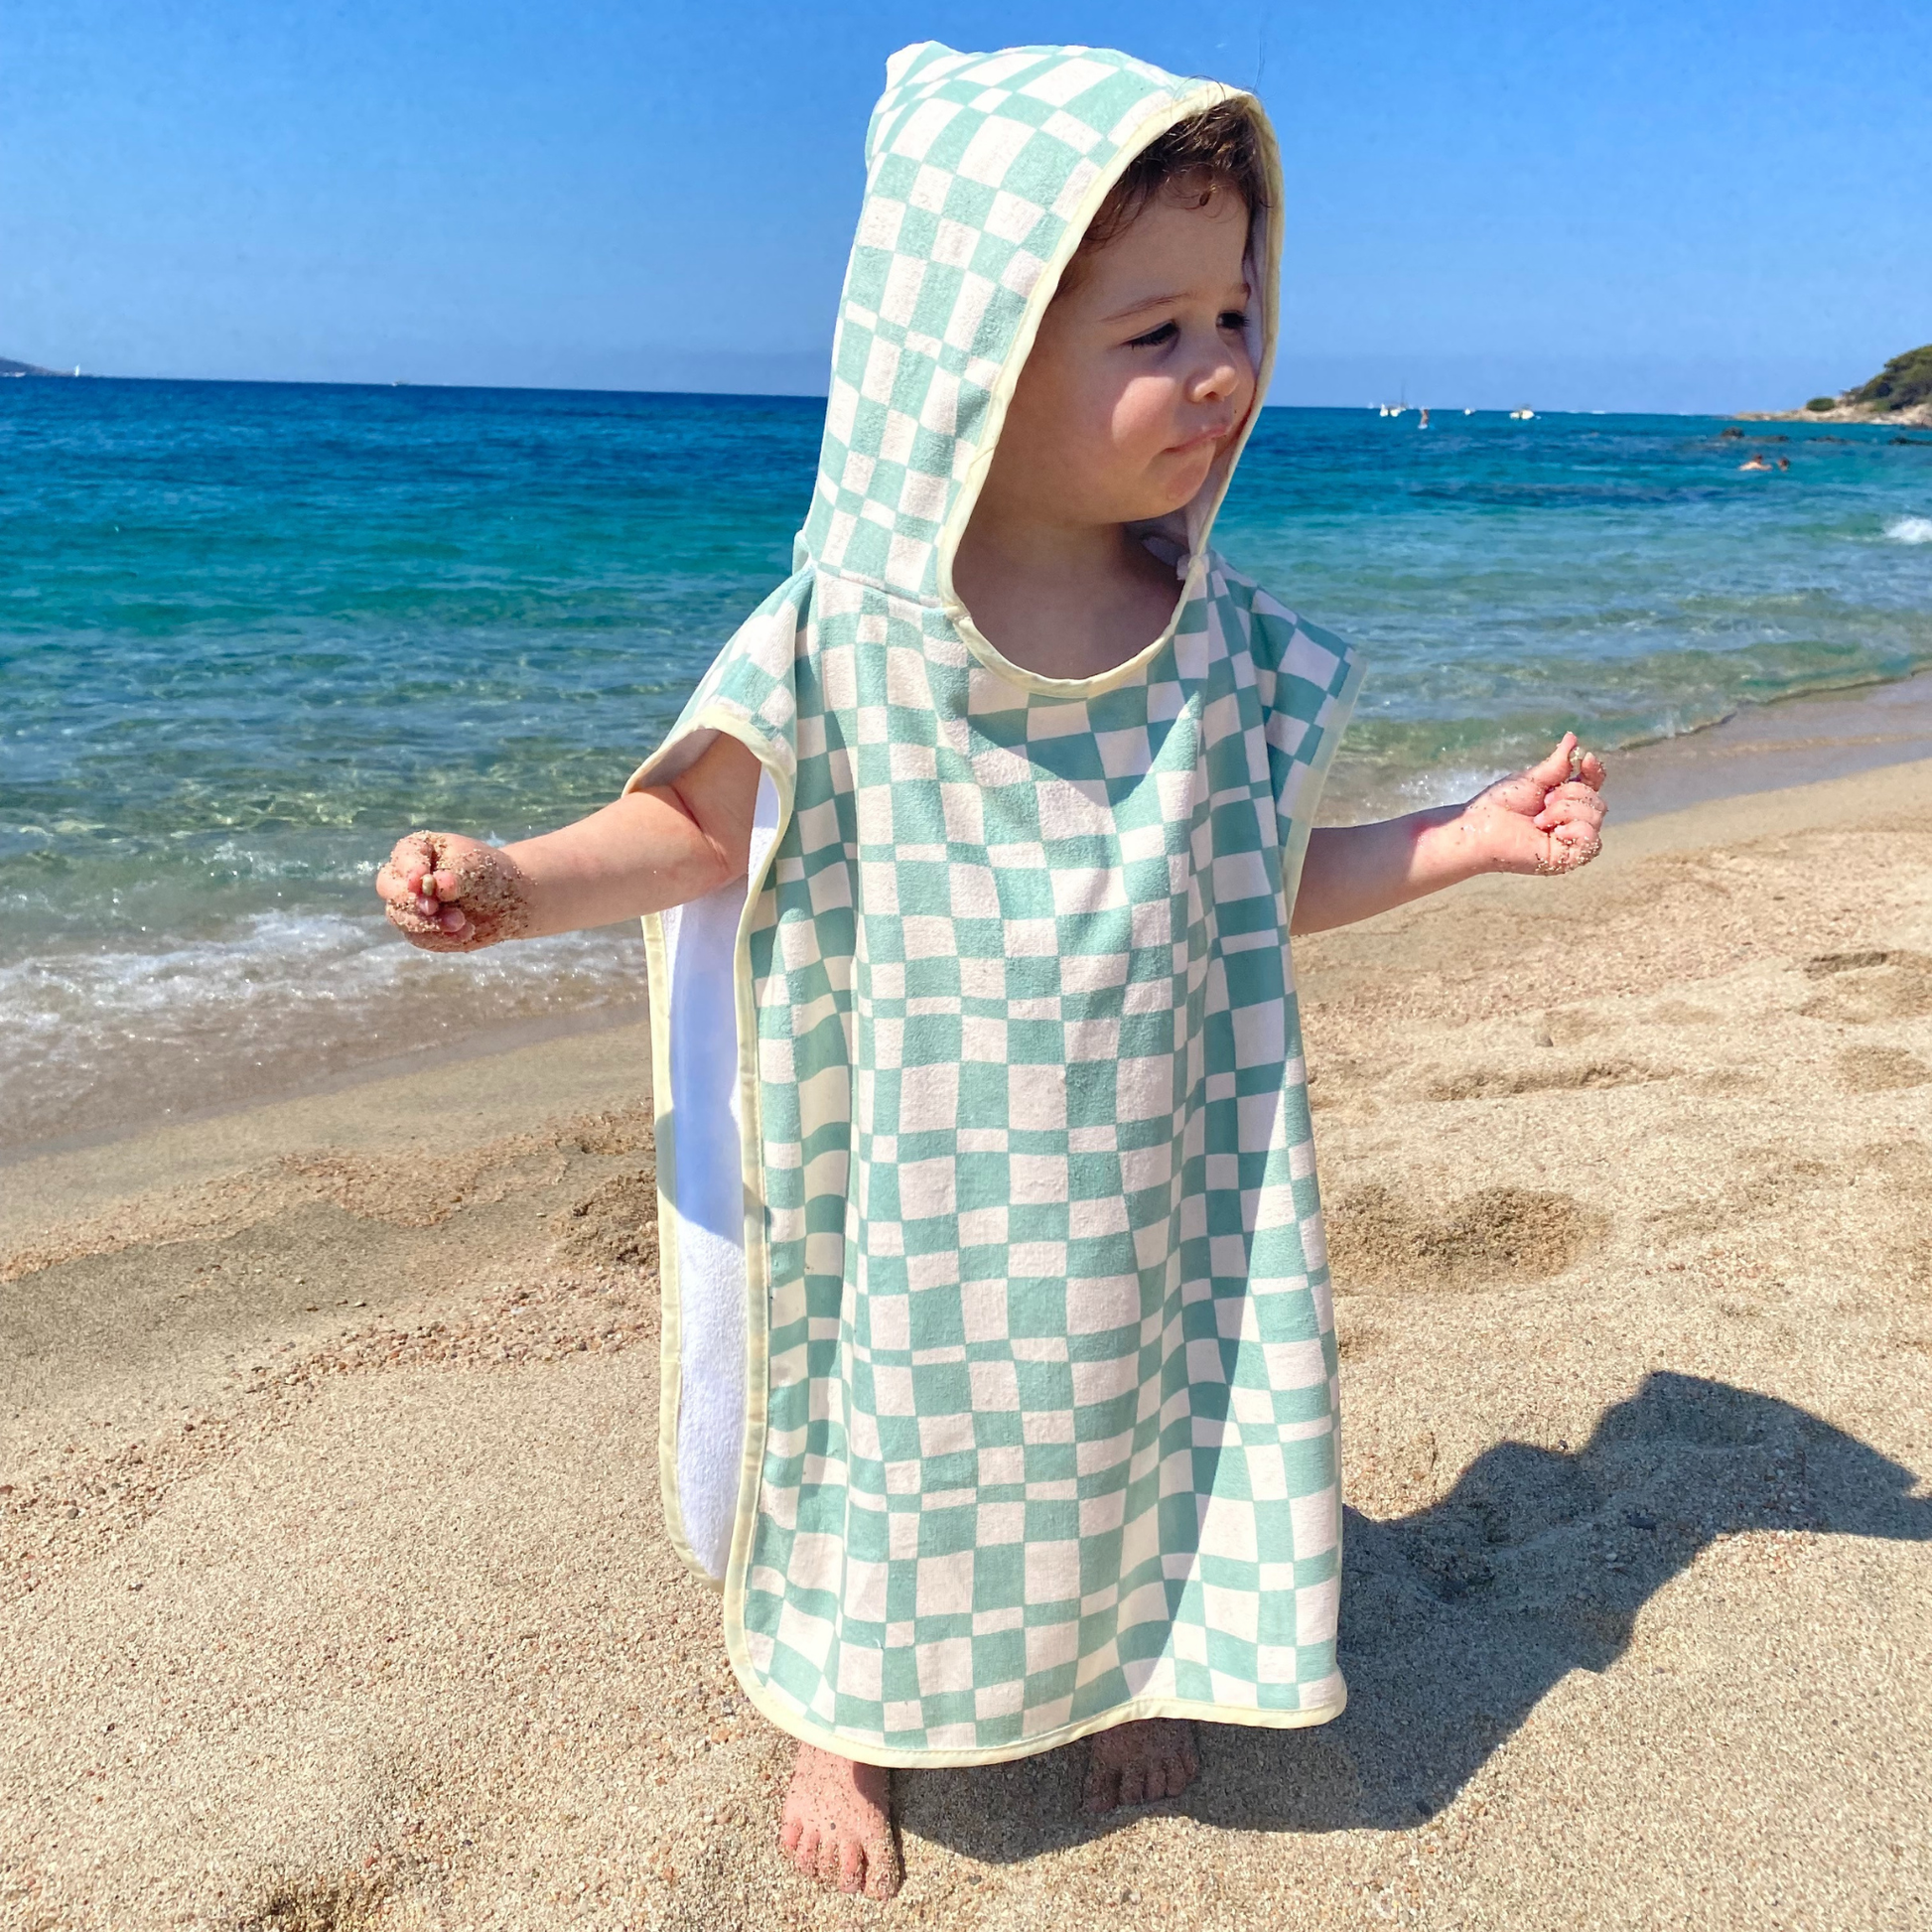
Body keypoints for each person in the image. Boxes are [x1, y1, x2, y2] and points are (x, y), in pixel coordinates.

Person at [375, 43, 1608, 1901]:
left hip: (1144, 1157)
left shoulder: (1214, 645)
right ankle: (838, 1715)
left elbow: (1255, 889)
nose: (1219, 369)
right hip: (908, 1167)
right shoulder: (846, 634)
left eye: (1236, 310)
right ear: (977, 349)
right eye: (1152, 331)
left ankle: (1126, 1653)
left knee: (1129, 1405)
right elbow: (704, 832)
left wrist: (1464, 837)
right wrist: (516, 877)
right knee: (883, 1431)